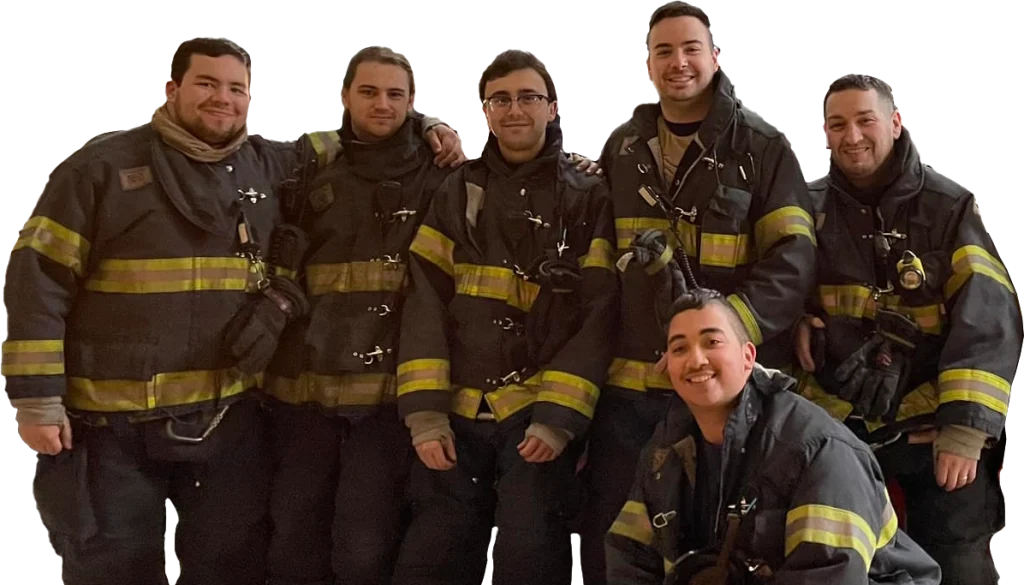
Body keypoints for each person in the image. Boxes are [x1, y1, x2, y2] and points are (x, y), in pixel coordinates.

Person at [3, 38, 303, 585]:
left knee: (232, 562)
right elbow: (36, 281)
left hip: (228, 415)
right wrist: (37, 401)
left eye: (236, 89)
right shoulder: (100, 167)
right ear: (173, 90)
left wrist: (431, 127)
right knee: (112, 566)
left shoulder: (270, 165)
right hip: (110, 425)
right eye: (207, 84)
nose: (223, 98)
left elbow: (360, 137)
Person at [579, 4, 817, 583]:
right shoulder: (622, 149)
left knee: (718, 543)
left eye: (690, 49)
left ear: (715, 57)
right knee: (617, 540)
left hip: (725, 396)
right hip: (631, 393)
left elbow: (792, 262)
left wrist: (711, 341)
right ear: (648, 65)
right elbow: (602, 266)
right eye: (663, 52)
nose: (677, 62)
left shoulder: (764, 149)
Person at [388, 48, 618, 585]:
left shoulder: (588, 197)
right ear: (486, 112)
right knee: (432, 557)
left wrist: (559, 419)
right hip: (455, 418)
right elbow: (422, 299)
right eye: (501, 100)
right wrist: (425, 415)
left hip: (536, 415)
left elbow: (599, 313)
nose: (515, 110)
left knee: (529, 554)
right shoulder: (455, 190)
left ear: (552, 107)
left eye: (529, 97)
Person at [792, 72, 1021, 585]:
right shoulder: (807, 207)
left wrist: (963, 433)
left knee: (956, 561)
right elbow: (774, 285)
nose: (852, 136)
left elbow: (988, 320)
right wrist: (796, 324)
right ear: (825, 133)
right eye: (838, 124)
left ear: (896, 122)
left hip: (933, 428)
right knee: (833, 561)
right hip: (837, 428)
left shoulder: (949, 208)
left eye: (865, 120)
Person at [260, 45, 467, 585]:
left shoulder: (441, 171)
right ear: (344, 94)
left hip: (386, 395)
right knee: (293, 530)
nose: (382, 104)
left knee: (364, 542)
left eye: (395, 94)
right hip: (303, 390)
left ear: (413, 102)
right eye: (369, 92)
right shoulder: (306, 164)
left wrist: (436, 129)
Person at [605, 287, 943, 585]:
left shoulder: (817, 448)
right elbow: (631, 558)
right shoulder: (666, 449)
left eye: (712, 342)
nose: (696, 359)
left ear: (748, 356)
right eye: (679, 349)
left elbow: (829, 576)